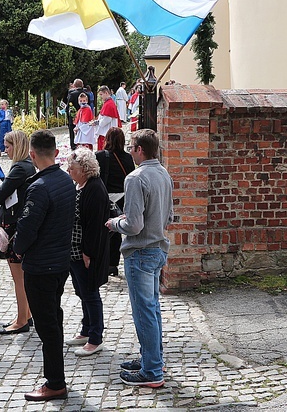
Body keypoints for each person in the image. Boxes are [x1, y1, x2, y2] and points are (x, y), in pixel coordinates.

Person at [105, 129, 174, 388]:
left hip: (141, 250)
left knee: (144, 312)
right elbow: (169, 216)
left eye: (132, 147)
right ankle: (152, 359)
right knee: (152, 309)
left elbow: (133, 225)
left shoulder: (136, 178)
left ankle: (152, 371)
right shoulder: (164, 173)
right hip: (158, 249)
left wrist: (114, 223)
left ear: (140, 150)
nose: (130, 151)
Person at [14, 130, 75, 401]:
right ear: (56, 152)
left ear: (33, 154)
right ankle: (55, 377)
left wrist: (14, 245)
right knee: (54, 320)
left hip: (41, 266)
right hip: (60, 262)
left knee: (47, 326)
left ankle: (55, 383)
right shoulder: (66, 180)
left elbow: (28, 230)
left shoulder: (38, 187)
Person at [65, 148, 110, 357]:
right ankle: (86, 329)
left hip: (85, 252)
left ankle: (95, 337)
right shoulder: (81, 186)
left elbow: (94, 226)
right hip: (74, 251)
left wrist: (88, 252)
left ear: (83, 169)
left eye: (72, 168)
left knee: (90, 293)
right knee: (82, 292)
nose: (68, 171)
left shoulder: (94, 189)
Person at [0, 130, 35, 336]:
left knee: (19, 277)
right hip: (19, 223)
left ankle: (21, 320)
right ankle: (25, 314)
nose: (5, 150)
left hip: (13, 225)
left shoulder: (19, 167)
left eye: (7, 146)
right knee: (22, 276)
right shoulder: (28, 165)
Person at [96, 127, 135, 276]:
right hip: (121, 198)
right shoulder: (128, 158)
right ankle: (113, 263)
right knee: (116, 232)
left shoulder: (100, 156)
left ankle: (102, 263)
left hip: (104, 197)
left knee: (102, 231)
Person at [95, 85, 121, 151]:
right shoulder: (108, 102)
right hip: (106, 132)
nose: (100, 97)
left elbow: (106, 120)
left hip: (106, 133)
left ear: (106, 93)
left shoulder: (109, 104)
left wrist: (97, 122)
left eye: (101, 94)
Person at [66, 79, 84, 150]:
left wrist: (69, 118)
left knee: (72, 133)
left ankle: (73, 146)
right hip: (84, 117)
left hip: (74, 117)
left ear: (74, 85)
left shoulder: (72, 94)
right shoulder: (87, 93)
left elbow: (68, 107)